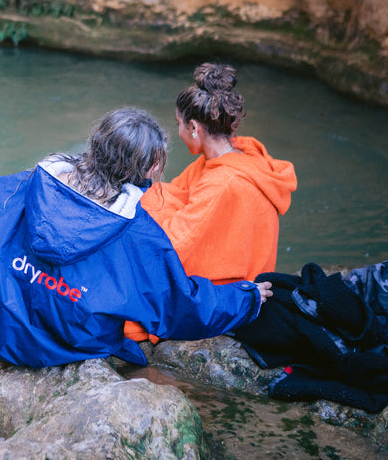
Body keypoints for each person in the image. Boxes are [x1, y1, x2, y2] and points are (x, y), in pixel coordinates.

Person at [0, 108, 272, 367]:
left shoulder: (27, 183)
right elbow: (180, 305)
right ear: (149, 167)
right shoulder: (137, 231)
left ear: (96, 143)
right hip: (73, 342)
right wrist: (246, 297)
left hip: (6, 334)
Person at [125, 63, 296, 343]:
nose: (179, 131)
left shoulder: (221, 183)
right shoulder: (240, 157)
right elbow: (171, 194)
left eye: (179, 123)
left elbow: (173, 245)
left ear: (193, 126)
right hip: (247, 268)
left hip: (229, 288)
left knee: (125, 300)